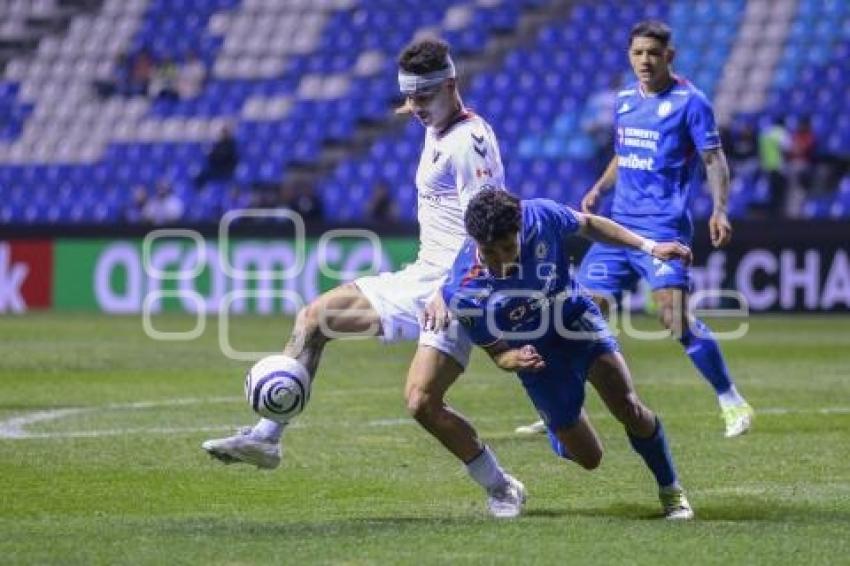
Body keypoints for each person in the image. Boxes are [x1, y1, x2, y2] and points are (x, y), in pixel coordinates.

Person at [202, 37, 526, 518]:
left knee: (421, 403)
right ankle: (268, 439)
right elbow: (425, 106)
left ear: (452, 85)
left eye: (423, 97)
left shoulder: (469, 143)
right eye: (408, 97)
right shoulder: (436, 120)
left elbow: (488, 227)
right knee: (314, 319)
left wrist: (449, 291)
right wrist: (420, 102)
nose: (413, 107)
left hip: (456, 287)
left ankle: (502, 487)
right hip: (420, 276)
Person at [515, 21, 754, 438]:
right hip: (617, 228)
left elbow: (713, 160)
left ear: (669, 57)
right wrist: (598, 188)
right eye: (638, 53)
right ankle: (563, 407)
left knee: (672, 315)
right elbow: (625, 154)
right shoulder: (625, 100)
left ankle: (731, 399)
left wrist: (720, 210)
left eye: (653, 53)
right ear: (630, 55)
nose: (645, 60)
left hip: (663, 229)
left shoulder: (691, 102)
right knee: (578, 315)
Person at [439, 190, 694, 520]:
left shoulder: (542, 215)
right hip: (536, 353)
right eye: (490, 252)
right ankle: (556, 429)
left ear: (520, 230)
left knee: (627, 404)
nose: (501, 260)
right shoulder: (463, 292)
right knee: (590, 458)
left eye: (508, 248)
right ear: (474, 241)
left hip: (575, 317)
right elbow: (498, 354)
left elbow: (588, 224)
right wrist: (512, 360)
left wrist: (649, 246)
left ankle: (671, 491)